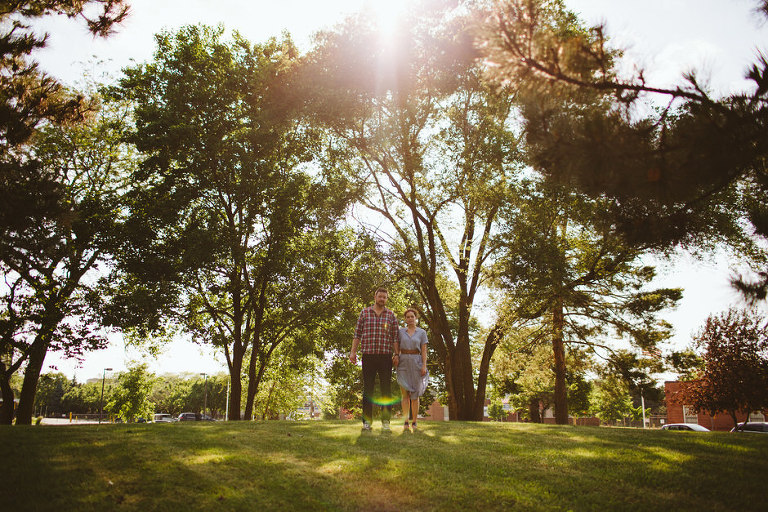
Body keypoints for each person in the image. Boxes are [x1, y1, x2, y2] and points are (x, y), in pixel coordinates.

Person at [350, 287, 399, 432]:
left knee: (386, 390)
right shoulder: (365, 313)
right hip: (368, 356)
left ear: (386, 299)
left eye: (384, 297)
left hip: (385, 357)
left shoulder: (390, 315)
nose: (382, 299)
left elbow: (395, 336)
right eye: (380, 296)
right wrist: (353, 352)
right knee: (368, 390)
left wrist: (396, 354)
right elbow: (357, 334)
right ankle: (367, 422)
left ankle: (386, 422)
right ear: (375, 297)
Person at [394, 308, 428, 432]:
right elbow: (396, 344)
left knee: (415, 395)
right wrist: (396, 355)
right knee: (405, 394)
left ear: (416, 318)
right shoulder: (400, 332)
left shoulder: (422, 332)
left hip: (416, 363)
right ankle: (406, 421)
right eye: (407, 317)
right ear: (405, 319)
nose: (410, 319)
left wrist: (424, 365)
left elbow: (424, 350)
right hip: (403, 363)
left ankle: (414, 421)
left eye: (412, 316)